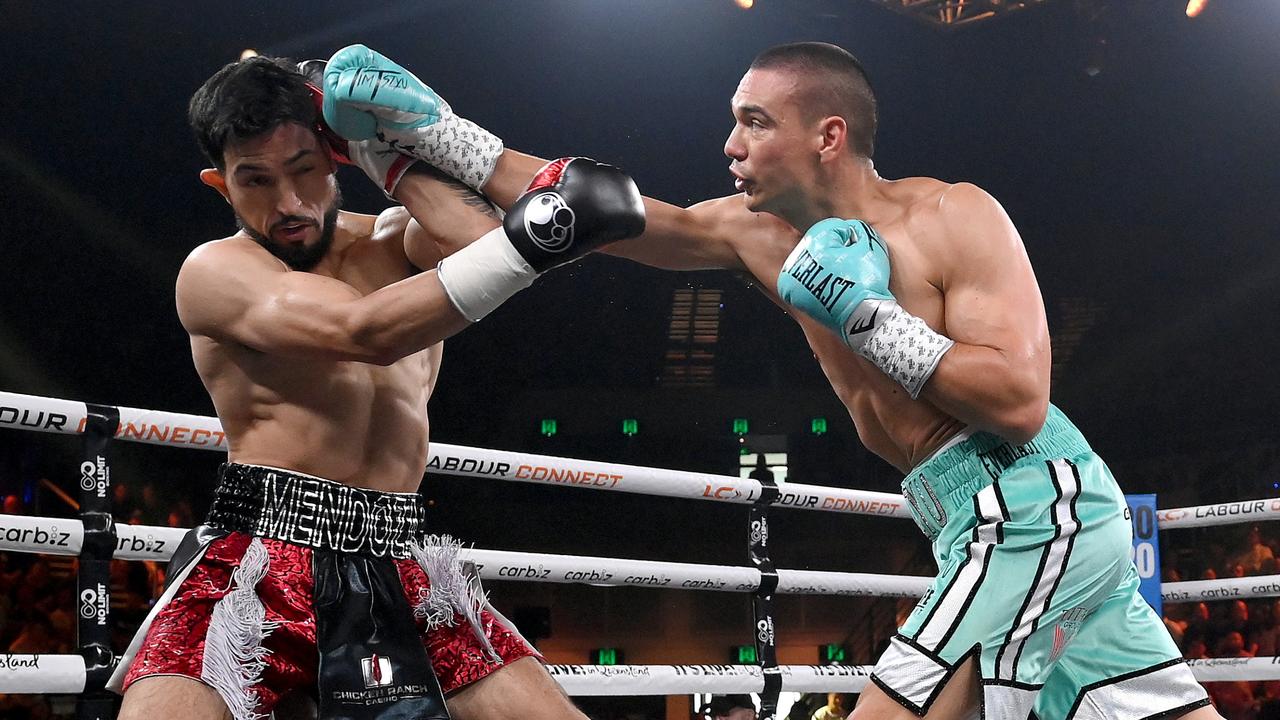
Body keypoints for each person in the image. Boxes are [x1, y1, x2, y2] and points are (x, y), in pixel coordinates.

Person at [321, 42, 1220, 720]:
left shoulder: (954, 215)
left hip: (1033, 503)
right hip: (960, 517)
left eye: (754, 120)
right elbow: (603, 212)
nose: (729, 142)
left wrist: (868, 317)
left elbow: (1020, 402)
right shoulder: (754, 236)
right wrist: (434, 130)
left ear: (828, 134)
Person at [106, 55, 645, 720]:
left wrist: (381, 153)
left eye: (305, 168)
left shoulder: (391, 241)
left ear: (333, 160)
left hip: (399, 551)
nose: (289, 203)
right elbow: (365, 330)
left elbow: (481, 244)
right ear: (220, 186)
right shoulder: (215, 272)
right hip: (256, 557)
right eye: (256, 181)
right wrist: (536, 238)